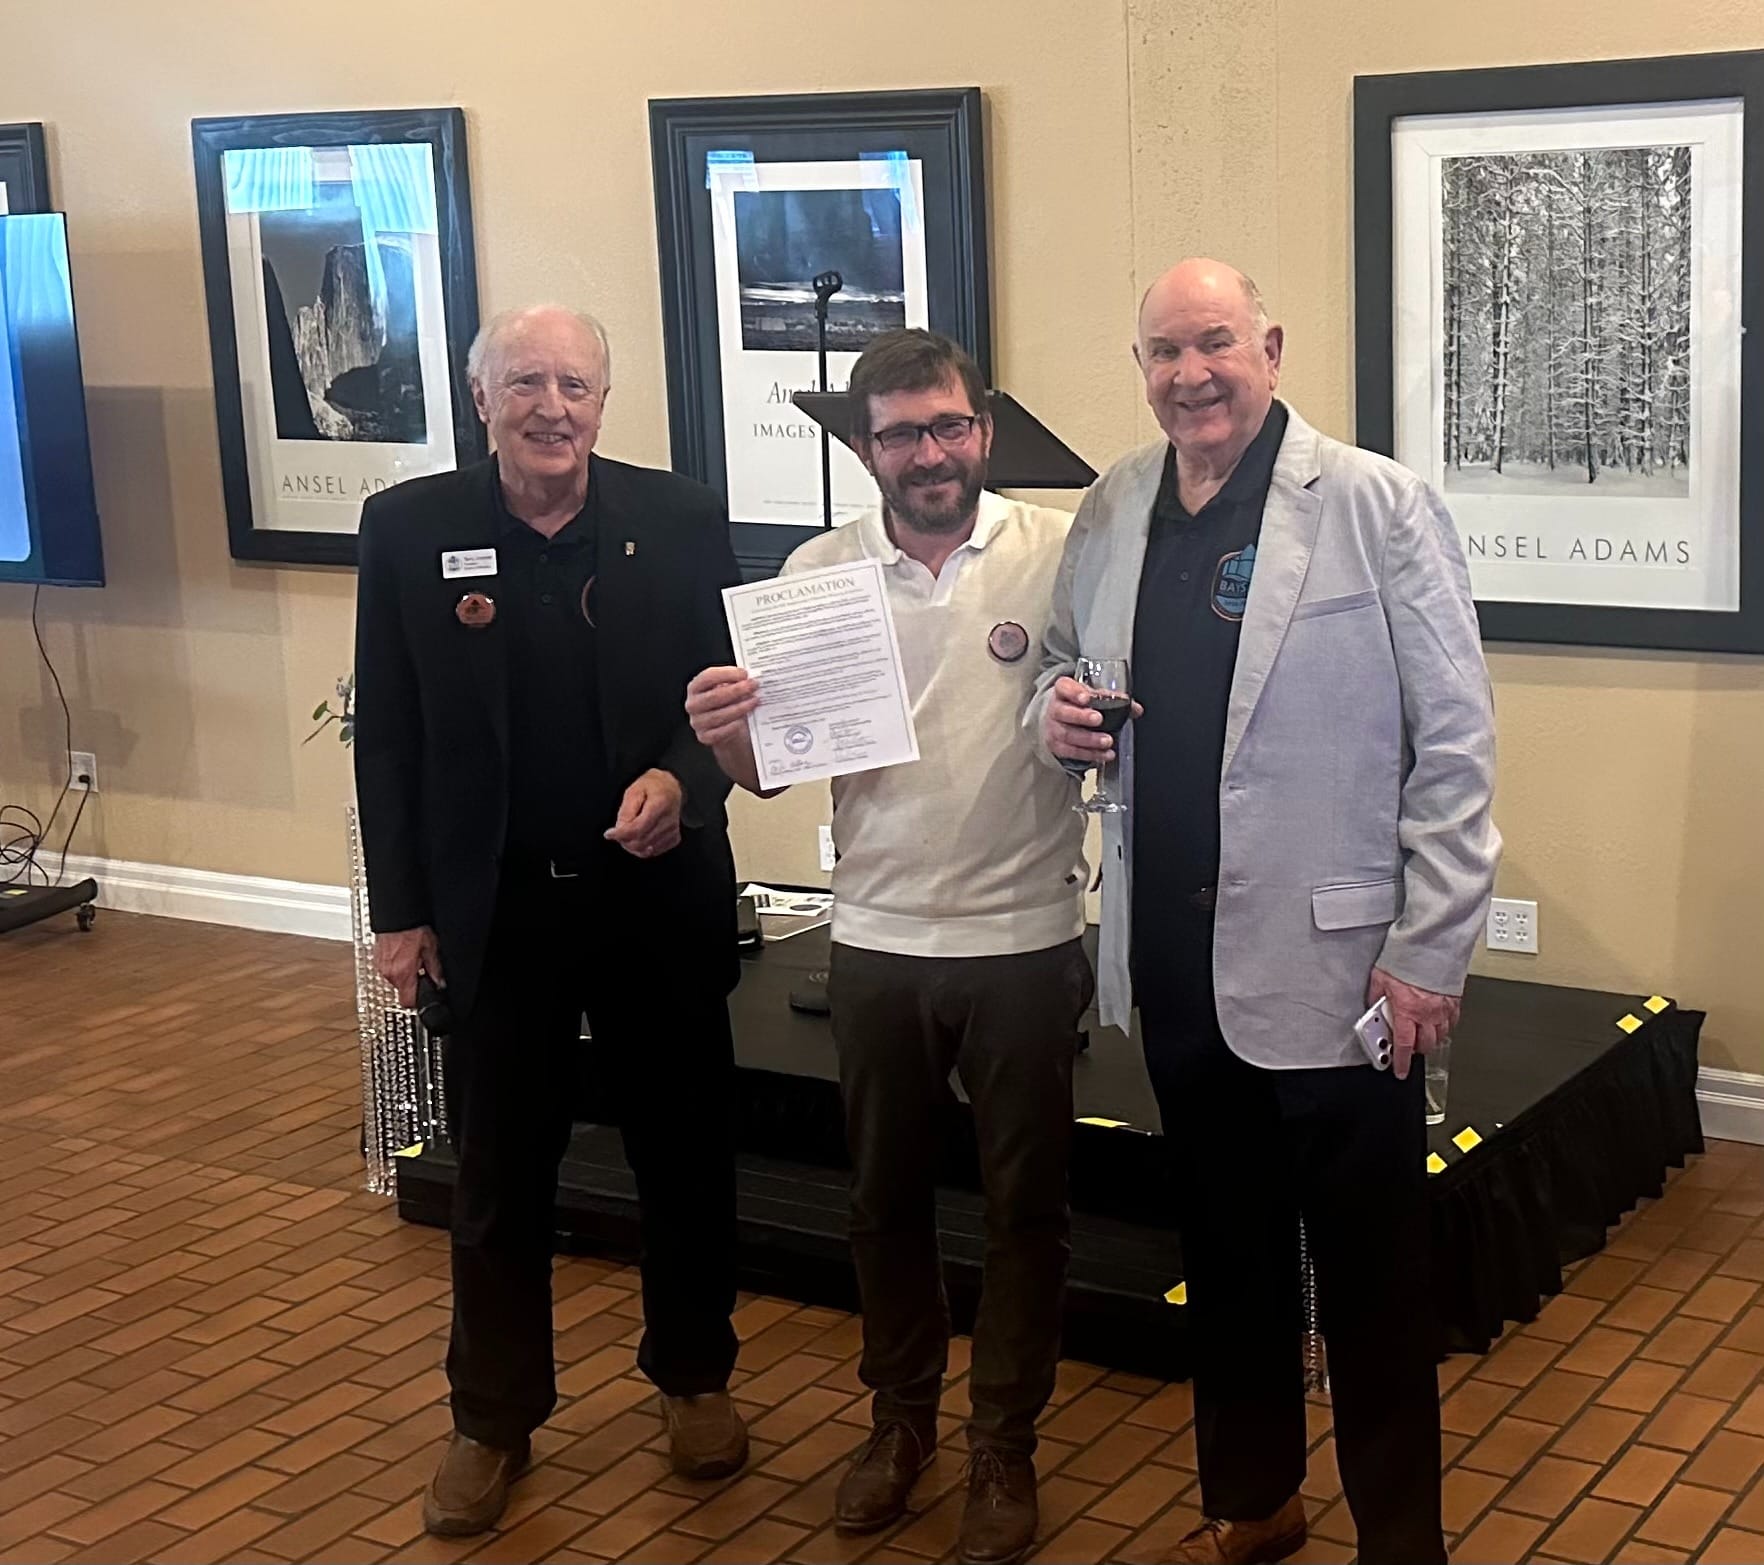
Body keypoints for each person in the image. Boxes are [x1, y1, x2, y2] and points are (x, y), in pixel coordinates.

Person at [1033, 260, 1500, 1565]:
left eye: (1216, 344)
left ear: (1271, 347)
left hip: (1347, 972)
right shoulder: (1118, 503)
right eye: (1165, 352)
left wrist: (1430, 948)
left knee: (1371, 1287)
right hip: (1177, 965)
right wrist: (1058, 715)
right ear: (1142, 368)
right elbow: (1070, 674)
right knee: (1226, 1257)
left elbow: (1455, 743)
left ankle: (1400, 1537)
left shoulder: (1372, 504)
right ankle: (1256, 1498)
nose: (1192, 375)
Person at [686, 329, 1091, 1565]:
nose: (932, 452)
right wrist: (724, 738)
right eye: (904, 432)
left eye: (951, 425)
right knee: (884, 1202)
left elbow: (1110, 709)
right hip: (875, 936)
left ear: (983, 428)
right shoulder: (816, 573)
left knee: (1027, 1208)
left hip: (1024, 935)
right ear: (865, 447)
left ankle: (1004, 1446)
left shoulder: (1062, 559)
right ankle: (901, 1421)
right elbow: (770, 771)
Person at [353, 305, 749, 1537]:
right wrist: (405, 913)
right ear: (482, 399)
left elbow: (733, 700)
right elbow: (393, 734)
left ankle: (693, 1379)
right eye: (525, 381)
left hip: (656, 899)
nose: (551, 406)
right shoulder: (411, 527)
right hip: (499, 909)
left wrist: (684, 779)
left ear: (603, 399)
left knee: (683, 1155)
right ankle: (493, 1416)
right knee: (497, 1178)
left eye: (574, 382)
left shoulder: (677, 519)